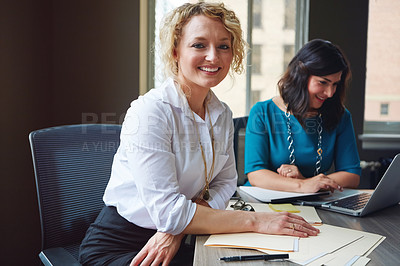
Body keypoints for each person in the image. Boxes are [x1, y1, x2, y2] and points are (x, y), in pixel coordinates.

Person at [79, 3, 320, 266]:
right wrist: (257, 220)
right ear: (175, 51)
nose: (213, 57)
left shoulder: (222, 113)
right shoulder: (150, 111)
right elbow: (169, 213)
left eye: (224, 46)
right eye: (199, 45)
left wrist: (179, 227)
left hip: (187, 235)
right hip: (121, 246)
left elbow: (225, 184)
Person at [244, 39, 361, 193]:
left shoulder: (341, 115)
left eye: (335, 84)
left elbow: (352, 175)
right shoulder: (261, 112)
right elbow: (256, 175)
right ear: (301, 75)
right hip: (263, 201)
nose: (330, 93)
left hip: (314, 200)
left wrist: (307, 182)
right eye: (323, 82)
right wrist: (303, 186)